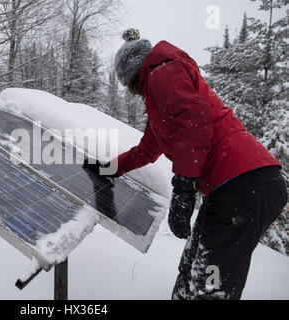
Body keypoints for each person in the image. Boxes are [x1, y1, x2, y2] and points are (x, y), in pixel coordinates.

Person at [87, 28, 287, 299]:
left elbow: (194, 121)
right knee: (193, 268)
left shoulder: (162, 73)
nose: (133, 93)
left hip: (245, 184)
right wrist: (108, 168)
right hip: (235, 188)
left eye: (130, 86)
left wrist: (183, 188)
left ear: (134, 76)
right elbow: (146, 150)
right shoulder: (161, 93)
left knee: (209, 285)